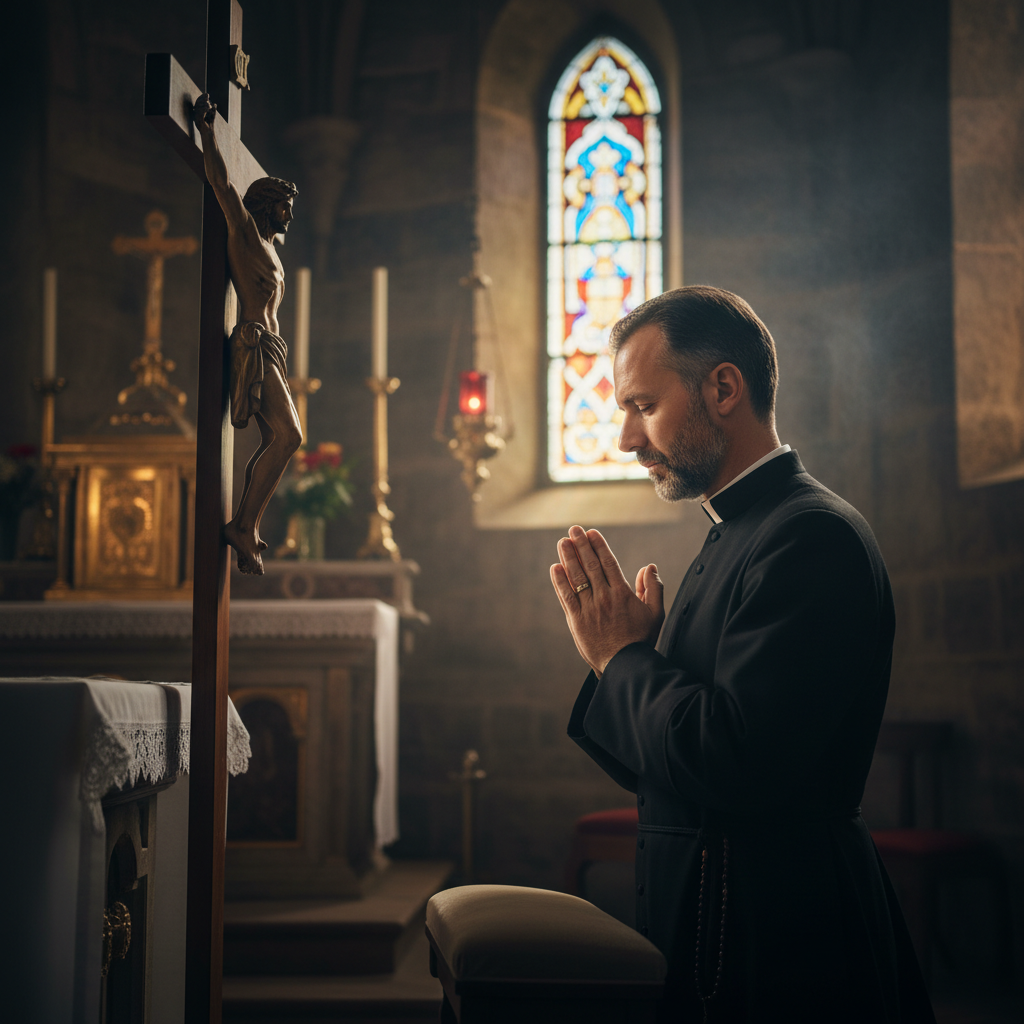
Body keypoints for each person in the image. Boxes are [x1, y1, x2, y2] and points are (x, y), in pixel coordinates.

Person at [550, 286, 935, 1022]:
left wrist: (623, 659)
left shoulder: (809, 536)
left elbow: (736, 759)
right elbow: (677, 769)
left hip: (778, 938)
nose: (627, 440)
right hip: (724, 914)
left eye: (642, 406)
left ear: (723, 387)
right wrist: (621, 658)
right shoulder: (741, 529)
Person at [193, 93, 302, 575]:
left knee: (282, 437)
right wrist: (207, 131)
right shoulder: (243, 234)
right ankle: (243, 526)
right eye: (284, 207)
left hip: (270, 351)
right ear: (266, 205)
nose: (289, 217)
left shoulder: (274, 253)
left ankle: (246, 525)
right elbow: (220, 181)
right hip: (253, 345)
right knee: (289, 436)